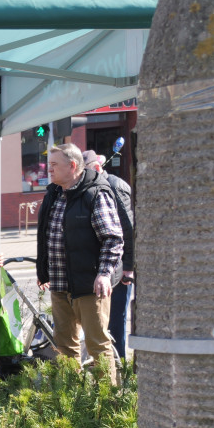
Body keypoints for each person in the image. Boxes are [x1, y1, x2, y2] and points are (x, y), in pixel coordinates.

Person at [36, 144, 123, 382]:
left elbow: (113, 239)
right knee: (64, 347)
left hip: (89, 285)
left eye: (54, 165)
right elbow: (46, 235)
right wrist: (43, 269)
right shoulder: (54, 193)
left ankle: (107, 400)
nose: (49, 170)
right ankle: (71, 397)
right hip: (60, 284)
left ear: (72, 166)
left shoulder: (95, 193)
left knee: (97, 345)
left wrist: (104, 273)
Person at [82, 149, 135, 361]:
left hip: (120, 267)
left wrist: (129, 268)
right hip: (106, 267)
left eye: (85, 173)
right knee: (104, 321)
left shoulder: (114, 186)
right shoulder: (94, 187)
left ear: (96, 168)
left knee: (115, 320)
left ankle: (120, 364)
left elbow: (129, 230)